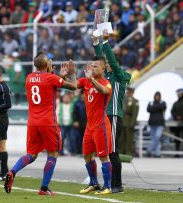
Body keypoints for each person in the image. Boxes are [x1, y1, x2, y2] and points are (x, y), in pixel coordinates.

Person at [4, 53, 77, 195]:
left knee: (32, 154)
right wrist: (71, 74)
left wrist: (57, 76)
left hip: (32, 122)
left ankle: (12, 171)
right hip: (48, 122)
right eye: (49, 61)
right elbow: (74, 86)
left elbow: (45, 83)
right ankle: (44, 188)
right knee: (53, 154)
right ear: (46, 64)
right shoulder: (51, 78)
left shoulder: (29, 78)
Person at [92, 30, 131, 193]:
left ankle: (117, 185)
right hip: (105, 117)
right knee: (106, 151)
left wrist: (106, 41)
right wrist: (96, 43)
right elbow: (100, 61)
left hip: (114, 116)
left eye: (108, 63)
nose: (106, 64)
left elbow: (112, 62)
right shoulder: (107, 77)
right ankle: (109, 183)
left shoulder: (120, 75)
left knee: (113, 151)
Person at [77, 56, 113, 195]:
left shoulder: (106, 82)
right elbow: (74, 85)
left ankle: (108, 186)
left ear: (103, 68)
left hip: (101, 126)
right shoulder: (85, 81)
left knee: (104, 156)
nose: (93, 68)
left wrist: (91, 79)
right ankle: (93, 183)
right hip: (89, 126)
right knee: (86, 155)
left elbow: (104, 91)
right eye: (92, 66)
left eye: (96, 66)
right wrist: (71, 74)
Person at [146, 91, 166, 158]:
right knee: (154, 139)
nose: (157, 97)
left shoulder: (162, 102)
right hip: (152, 123)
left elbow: (163, 107)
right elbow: (148, 109)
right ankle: (157, 153)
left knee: (157, 137)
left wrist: (154, 107)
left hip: (160, 123)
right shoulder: (151, 102)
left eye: (158, 96)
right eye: (156, 96)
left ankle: (149, 149)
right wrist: (157, 108)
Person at [120, 87, 139, 156]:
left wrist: (132, 123)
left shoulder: (135, 101)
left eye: (130, 91)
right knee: (121, 138)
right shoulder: (123, 100)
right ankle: (121, 151)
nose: (128, 93)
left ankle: (129, 152)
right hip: (123, 120)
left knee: (129, 138)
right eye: (128, 91)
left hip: (129, 121)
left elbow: (135, 113)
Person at [171, 88, 183, 154]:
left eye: (181, 94)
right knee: (177, 137)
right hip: (177, 123)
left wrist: (182, 116)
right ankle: (177, 151)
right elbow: (172, 111)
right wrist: (176, 117)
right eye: (178, 94)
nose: (179, 95)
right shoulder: (176, 103)